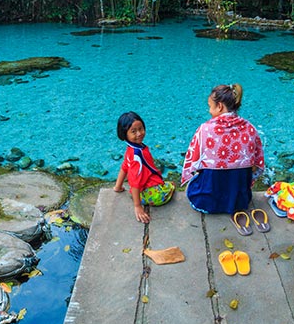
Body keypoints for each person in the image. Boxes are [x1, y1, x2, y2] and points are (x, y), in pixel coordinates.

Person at [181, 83, 265, 214]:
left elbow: (194, 164)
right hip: (240, 201)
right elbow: (256, 166)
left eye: (210, 106)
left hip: (206, 202)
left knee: (194, 183)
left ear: (219, 106)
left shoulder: (205, 130)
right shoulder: (250, 129)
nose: (209, 111)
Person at [113, 111, 175, 223]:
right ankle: (143, 199)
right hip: (148, 193)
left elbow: (124, 167)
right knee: (170, 187)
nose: (139, 134)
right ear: (124, 134)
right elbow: (135, 182)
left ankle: (140, 198)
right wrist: (137, 206)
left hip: (138, 191)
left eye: (141, 129)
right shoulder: (137, 155)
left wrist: (118, 187)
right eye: (133, 131)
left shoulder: (131, 149)